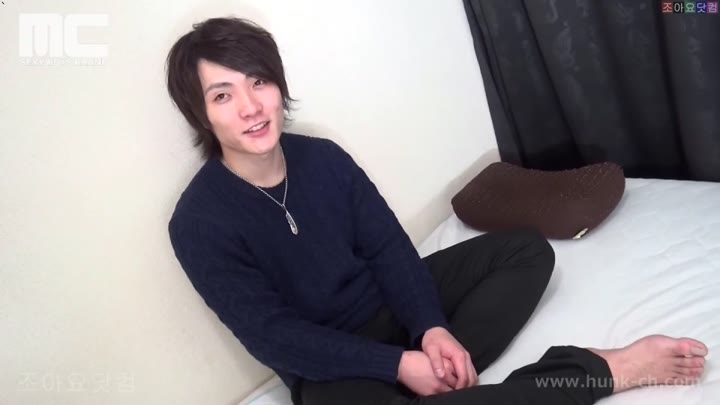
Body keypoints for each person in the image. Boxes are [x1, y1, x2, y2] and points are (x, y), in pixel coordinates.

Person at [165, 17, 708, 405]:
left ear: (278, 84)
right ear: (201, 115)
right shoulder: (198, 223)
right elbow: (273, 336)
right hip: (328, 368)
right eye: (222, 95)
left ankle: (437, 376)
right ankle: (597, 370)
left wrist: (430, 329)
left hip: (390, 311)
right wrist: (396, 365)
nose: (251, 106)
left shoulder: (322, 158)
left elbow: (387, 248)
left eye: (258, 82)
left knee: (526, 251)